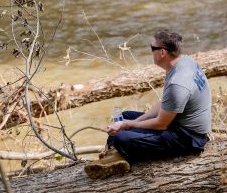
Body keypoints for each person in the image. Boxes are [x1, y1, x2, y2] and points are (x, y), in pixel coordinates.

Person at [85, 29, 212, 179]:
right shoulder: (184, 62)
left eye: (152, 48)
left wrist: (128, 125)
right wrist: (132, 121)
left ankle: (118, 155)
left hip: (188, 138)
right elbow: (167, 104)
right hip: (177, 123)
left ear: (163, 52)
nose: (151, 51)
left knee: (122, 137)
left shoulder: (178, 83)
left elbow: (161, 124)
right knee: (124, 116)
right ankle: (115, 153)